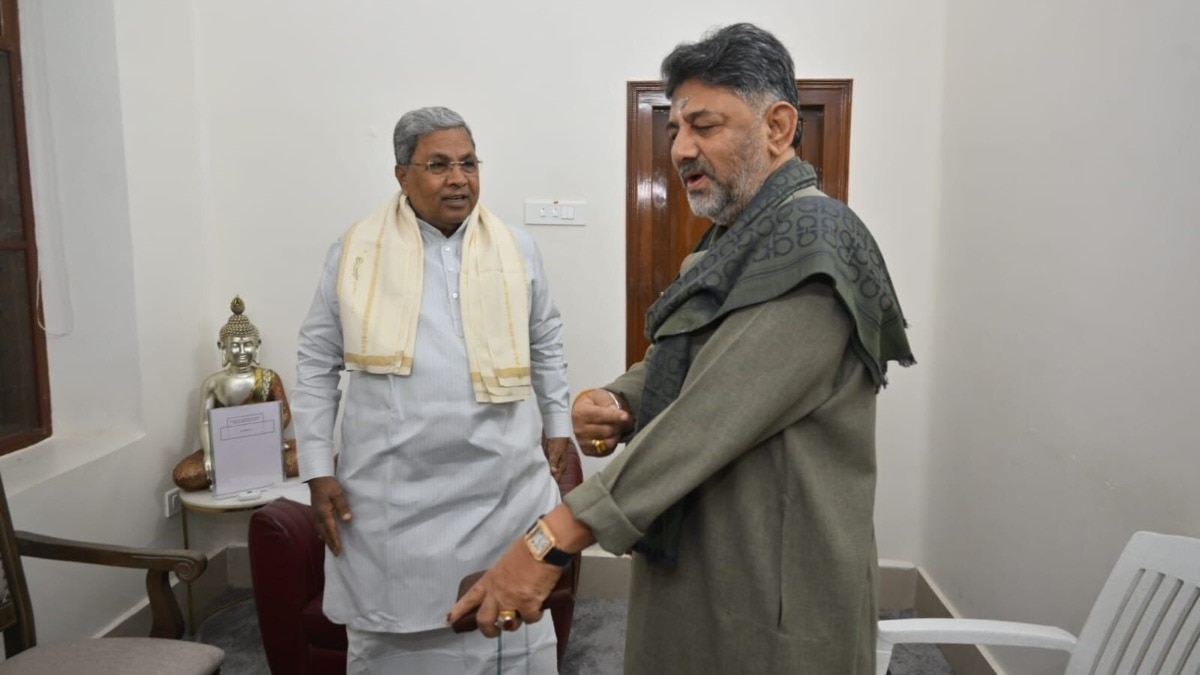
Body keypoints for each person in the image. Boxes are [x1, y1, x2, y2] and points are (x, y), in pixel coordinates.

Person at [448, 23, 915, 674]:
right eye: (674, 129)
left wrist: (551, 537)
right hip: (700, 558)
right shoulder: (731, 238)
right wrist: (619, 398)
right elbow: (689, 351)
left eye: (705, 125)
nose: (681, 147)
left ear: (778, 127)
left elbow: (711, 412)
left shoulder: (816, 242)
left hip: (776, 589)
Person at [293, 106, 572, 674]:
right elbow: (315, 359)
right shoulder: (354, 252)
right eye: (439, 164)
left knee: (509, 632)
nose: (459, 179)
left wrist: (559, 422)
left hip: (503, 486)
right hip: (394, 499)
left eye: (469, 163)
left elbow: (546, 339)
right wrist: (318, 468)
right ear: (401, 174)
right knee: (398, 645)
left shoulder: (517, 249)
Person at [173, 296, 296, 491]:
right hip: (224, 447)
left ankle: (237, 471)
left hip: (263, 443)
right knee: (184, 475)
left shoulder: (268, 377)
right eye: (235, 345)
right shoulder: (212, 383)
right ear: (223, 348)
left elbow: (284, 414)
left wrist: (262, 434)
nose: (241, 351)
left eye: (247, 344)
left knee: (307, 455)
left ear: (257, 346)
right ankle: (251, 469)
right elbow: (205, 422)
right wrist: (208, 453)